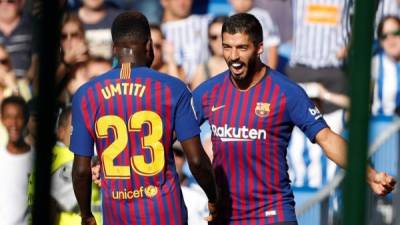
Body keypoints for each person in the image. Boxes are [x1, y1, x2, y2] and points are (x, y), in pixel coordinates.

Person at [192, 13, 396, 225]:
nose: (233, 56)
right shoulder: (209, 92)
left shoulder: (286, 92)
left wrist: (370, 174)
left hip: (273, 215)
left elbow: (327, 139)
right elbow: (175, 133)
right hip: (226, 217)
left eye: (242, 48)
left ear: (260, 48)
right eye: (227, 47)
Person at [70, 11, 218, 225]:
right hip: (166, 215)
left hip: (117, 217)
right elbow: (196, 161)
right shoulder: (173, 88)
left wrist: (86, 215)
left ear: (115, 49)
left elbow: (81, 171)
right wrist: (214, 199)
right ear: (149, 45)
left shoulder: (86, 94)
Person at [0, 95, 33, 225]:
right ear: (2, 119)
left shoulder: (36, 160)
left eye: (18, 117)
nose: (13, 123)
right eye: (8, 117)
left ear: (26, 119)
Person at [372, 15, 400, 116]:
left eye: (396, 33)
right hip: (383, 126)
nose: (390, 39)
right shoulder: (375, 64)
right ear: (380, 42)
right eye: (384, 36)